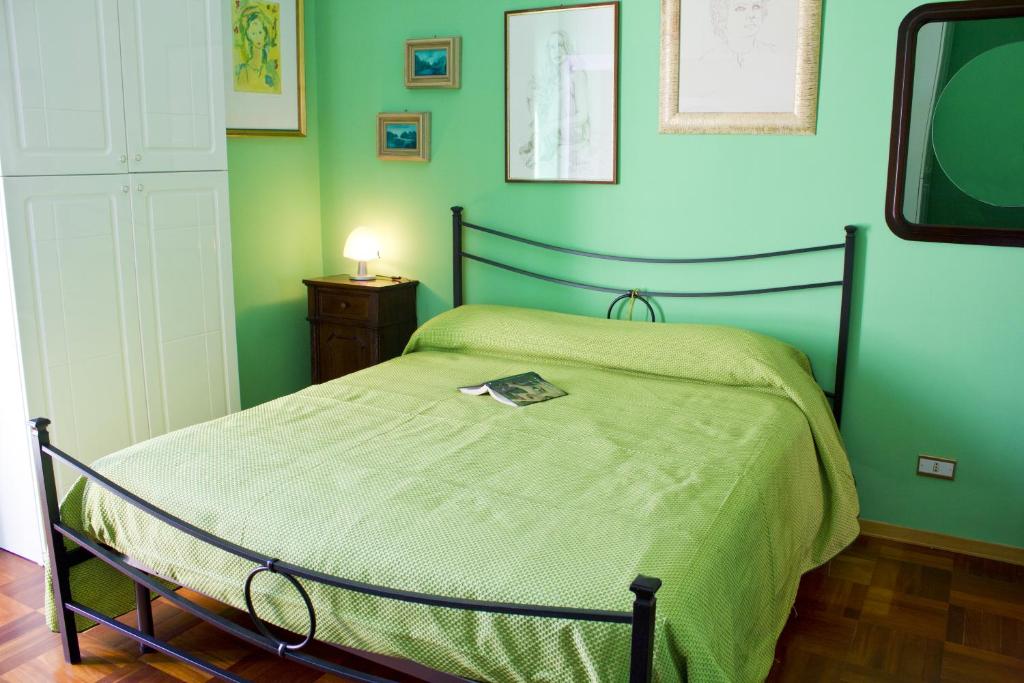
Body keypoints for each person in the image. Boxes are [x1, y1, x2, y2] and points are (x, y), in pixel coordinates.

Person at [518, 31, 592, 176]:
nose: (556, 51)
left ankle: (541, 146)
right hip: (554, 131)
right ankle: (539, 143)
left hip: (572, 130)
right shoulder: (552, 76)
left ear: (567, 47)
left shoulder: (578, 74)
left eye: (560, 45)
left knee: (560, 95)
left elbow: (583, 116)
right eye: (552, 47)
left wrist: (552, 125)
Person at [234, 4, 280, 93]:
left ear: (265, 33)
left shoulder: (270, 70)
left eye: (260, 32)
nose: (258, 37)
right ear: (248, 36)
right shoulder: (244, 71)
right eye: (253, 33)